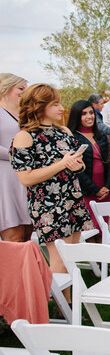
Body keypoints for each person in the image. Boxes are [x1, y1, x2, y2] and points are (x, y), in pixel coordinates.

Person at [10, 84, 93, 274]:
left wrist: (77, 165)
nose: (61, 108)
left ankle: (68, 301)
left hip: (72, 198)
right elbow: (26, 178)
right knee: (60, 261)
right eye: (55, 104)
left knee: (71, 258)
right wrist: (62, 164)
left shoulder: (64, 132)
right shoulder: (24, 137)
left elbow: (80, 166)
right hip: (48, 206)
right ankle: (56, 302)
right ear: (39, 107)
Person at [67, 100, 110, 234]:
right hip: (87, 192)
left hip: (104, 190)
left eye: (91, 113)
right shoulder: (72, 138)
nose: (89, 116)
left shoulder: (101, 136)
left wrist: (107, 186)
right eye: (84, 114)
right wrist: (95, 189)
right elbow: (77, 170)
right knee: (89, 230)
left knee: (103, 230)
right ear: (77, 116)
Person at [0, 73, 33, 242]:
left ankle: (24, 268)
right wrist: (19, 156)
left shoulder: (25, 114)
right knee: (13, 234)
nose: (24, 92)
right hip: (5, 178)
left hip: (26, 177)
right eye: (20, 88)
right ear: (5, 88)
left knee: (28, 232)